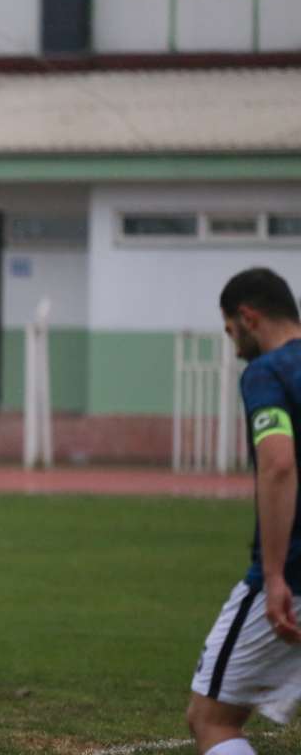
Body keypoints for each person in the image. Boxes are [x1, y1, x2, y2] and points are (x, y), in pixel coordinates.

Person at [187, 267, 301, 755]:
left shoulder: (268, 373)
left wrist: (275, 576)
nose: (233, 347)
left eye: (232, 331)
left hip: (294, 572)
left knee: (211, 718)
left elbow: (277, 465)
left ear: (249, 317)